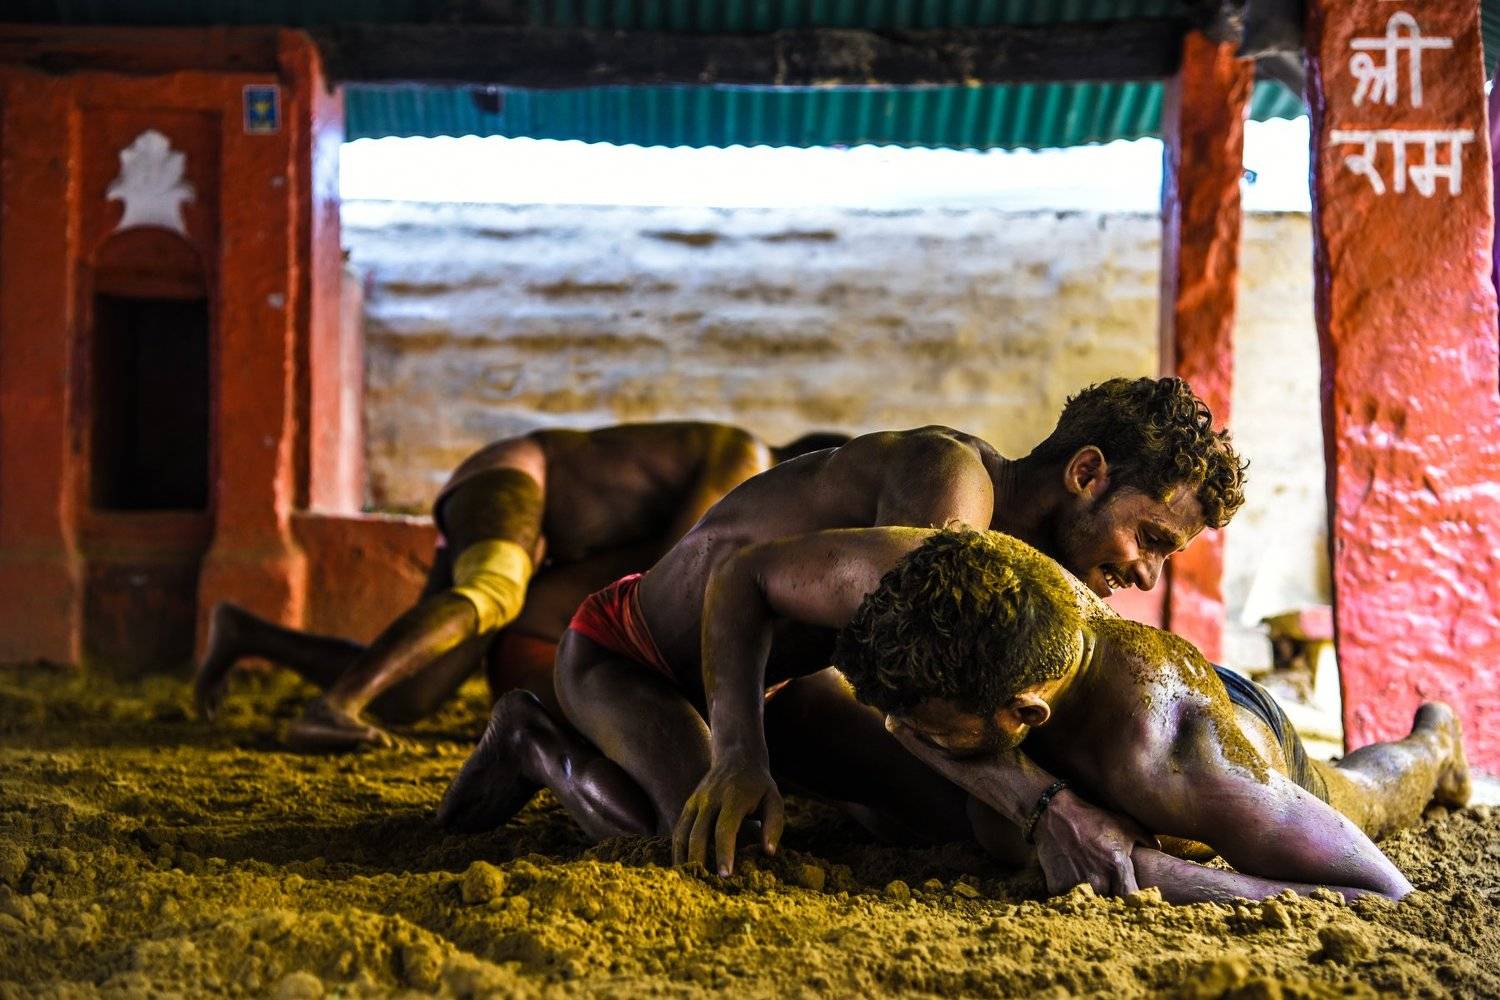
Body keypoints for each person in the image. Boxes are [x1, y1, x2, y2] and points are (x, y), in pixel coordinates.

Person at [439, 377, 1248, 895]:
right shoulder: (950, 484)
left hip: (776, 678)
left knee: (950, 816)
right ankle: (533, 741)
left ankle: (809, 778)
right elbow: (738, 583)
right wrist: (738, 755)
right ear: (1086, 474)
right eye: (1150, 539)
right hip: (632, 655)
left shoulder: (1026, 557)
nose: (1149, 575)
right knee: (709, 845)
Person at [193, 421, 849, 751]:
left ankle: (248, 634)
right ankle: (332, 707)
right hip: (517, 476)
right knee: (494, 592)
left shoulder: (742, 481)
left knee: (414, 693)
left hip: (541, 539)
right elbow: (684, 568)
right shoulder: (747, 458)